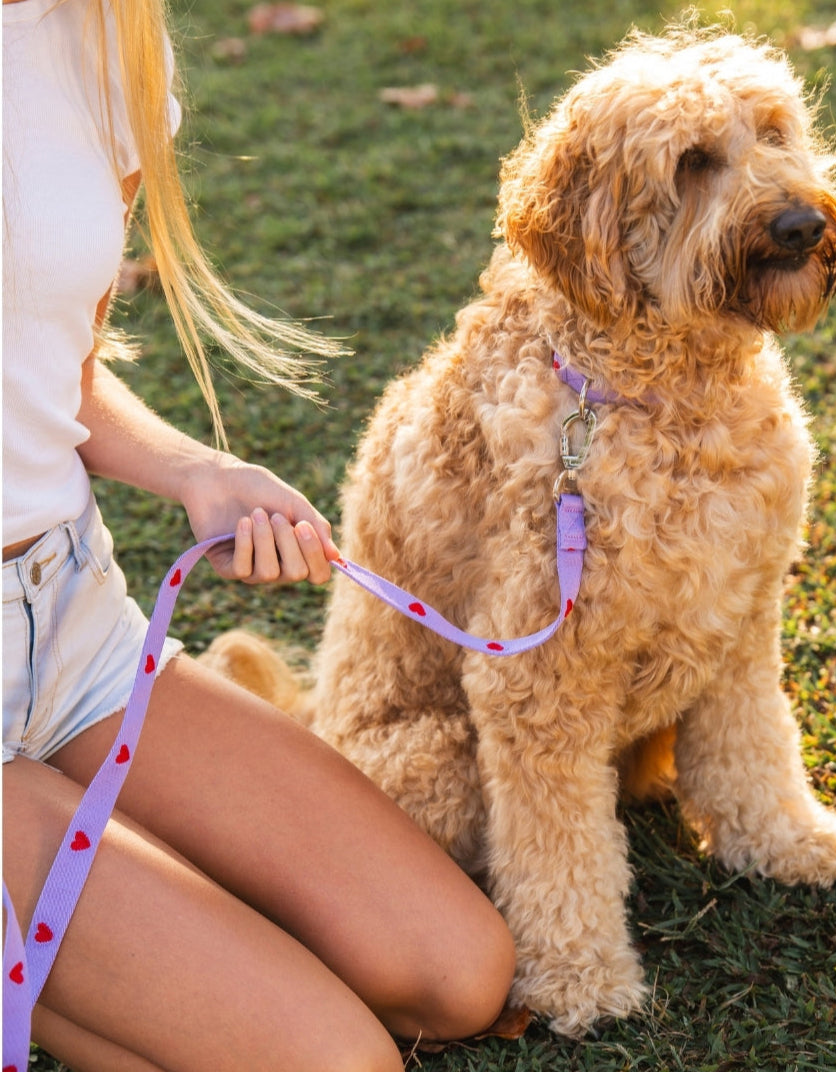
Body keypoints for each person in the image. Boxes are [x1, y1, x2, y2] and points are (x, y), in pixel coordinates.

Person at [1, 0, 516, 1069]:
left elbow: (57, 371)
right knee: (337, 1061)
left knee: (457, 973)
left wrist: (197, 471)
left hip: (69, 620)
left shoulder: (102, 30)